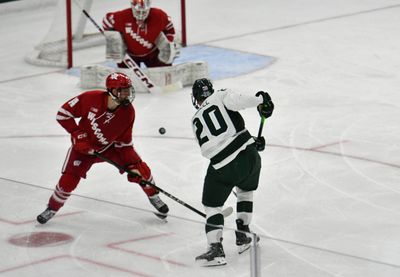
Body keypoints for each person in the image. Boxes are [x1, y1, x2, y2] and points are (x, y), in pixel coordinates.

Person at [37, 72, 169, 224]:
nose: (127, 94)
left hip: (109, 148)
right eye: (123, 91)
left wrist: (133, 167)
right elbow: (63, 114)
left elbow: (124, 144)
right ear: (112, 91)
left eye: (128, 90)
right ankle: (52, 208)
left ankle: (154, 197)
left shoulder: (128, 113)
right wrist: (77, 134)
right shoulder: (90, 98)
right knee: (68, 180)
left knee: (141, 169)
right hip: (83, 149)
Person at [190, 78, 274, 266]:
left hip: (223, 166)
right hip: (250, 156)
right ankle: (243, 235)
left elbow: (213, 146)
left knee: (212, 205)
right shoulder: (220, 95)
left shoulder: (195, 119)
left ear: (195, 98)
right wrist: (261, 100)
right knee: (245, 191)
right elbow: (240, 101)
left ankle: (215, 249)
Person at [102, 0, 177, 68]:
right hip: (129, 56)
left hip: (153, 54)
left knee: (165, 75)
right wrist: (114, 40)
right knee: (126, 81)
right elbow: (106, 20)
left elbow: (170, 30)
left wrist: (169, 44)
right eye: (138, 12)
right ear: (132, 7)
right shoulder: (122, 16)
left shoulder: (159, 16)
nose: (141, 15)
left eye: (144, 12)